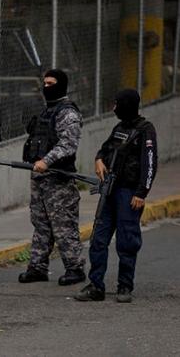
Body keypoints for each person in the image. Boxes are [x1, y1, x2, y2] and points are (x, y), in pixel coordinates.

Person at [75, 89, 157, 303]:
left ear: (127, 105)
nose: (114, 108)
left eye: (117, 104)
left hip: (129, 193)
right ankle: (96, 286)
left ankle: (125, 286)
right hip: (110, 191)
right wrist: (98, 160)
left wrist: (142, 192)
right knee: (98, 239)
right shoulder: (119, 128)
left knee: (127, 241)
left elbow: (149, 164)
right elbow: (105, 149)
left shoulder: (145, 130)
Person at [20, 69, 86, 285]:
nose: (46, 87)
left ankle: (75, 268)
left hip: (58, 180)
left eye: (51, 83)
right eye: (44, 83)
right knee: (41, 223)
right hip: (39, 178)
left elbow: (68, 144)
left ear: (61, 85)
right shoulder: (46, 111)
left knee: (63, 225)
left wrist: (46, 162)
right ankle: (37, 267)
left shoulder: (68, 113)